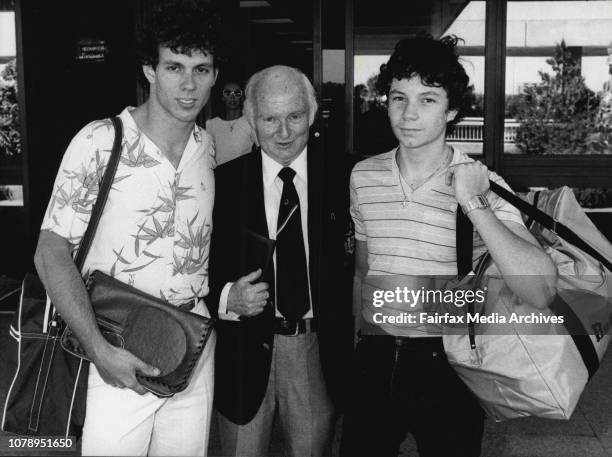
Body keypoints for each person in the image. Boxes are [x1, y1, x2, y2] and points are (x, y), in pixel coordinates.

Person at [340, 34, 557, 457]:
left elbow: (542, 289)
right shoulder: (363, 176)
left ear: (452, 110)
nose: (408, 114)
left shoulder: (480, 181)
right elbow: (363, 271)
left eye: (427, 100)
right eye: (398, 98)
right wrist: (359, 346)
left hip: (448, 361)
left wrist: (474, 203)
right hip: (376, 355)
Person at [33, 1, 220, 455]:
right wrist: (99, 350)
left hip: (191, 352)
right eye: (174, 67)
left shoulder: (207, 147)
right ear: (149, 70)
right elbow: (49, 253)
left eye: (202, 68)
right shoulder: (100, 141)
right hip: (115, 347)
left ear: (216, 74)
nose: (189, 84)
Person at [208, 65, 353, 457]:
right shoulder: (219, 185)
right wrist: (226, 298)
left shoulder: (346, 178)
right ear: (251, 122)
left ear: (312, 116)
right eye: (270, 119)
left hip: (314, 351)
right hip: (240, 351)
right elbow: (191, 273)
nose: (284, 132)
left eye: (294, 116)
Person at [206, 80, 255, 165]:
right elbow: (209, 157)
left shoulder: (250, 122)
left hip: (243, 173)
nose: (232, 97)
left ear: (242, 98)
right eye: (228, 93)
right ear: (223, 98)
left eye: (237, 93)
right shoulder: (212, 124)